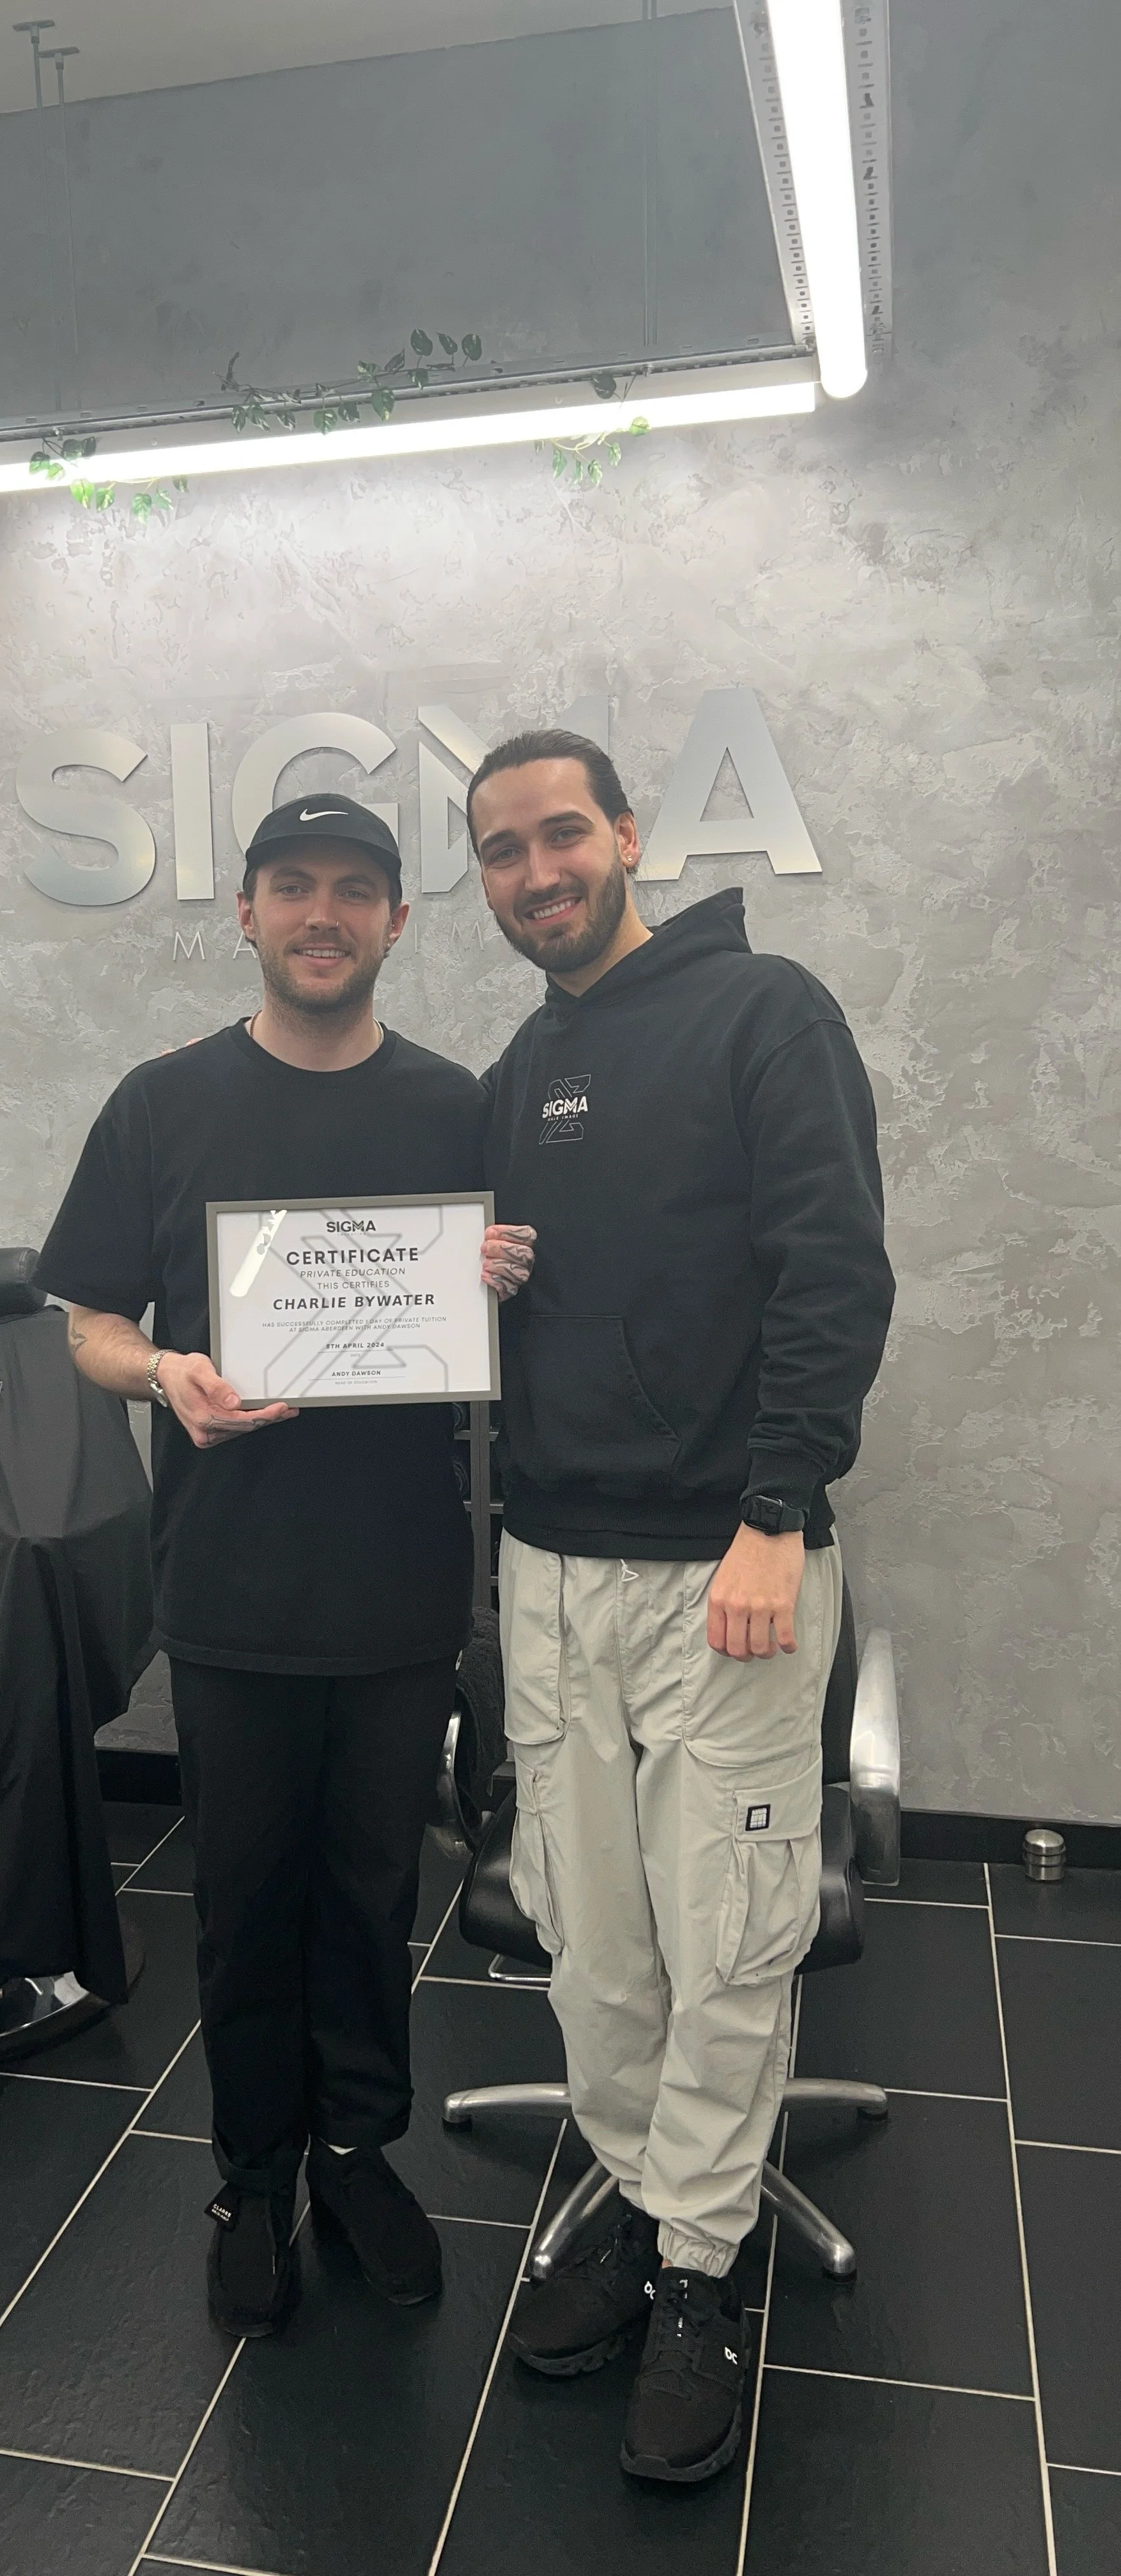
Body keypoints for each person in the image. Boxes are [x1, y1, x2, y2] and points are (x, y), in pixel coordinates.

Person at [33, 791, 534, 2342]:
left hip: (398, 1587)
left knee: (375, 1895)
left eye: (356, 891)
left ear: (399, 921)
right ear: (245, 914)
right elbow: (87, 1322)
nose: (325, 914)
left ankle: (355, 2150)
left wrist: (496, 1282)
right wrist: (165, 1371)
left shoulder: (462, 1108)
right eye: (293, 887)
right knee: (245, 1902)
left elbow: (510, 1327)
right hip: (233, 1583)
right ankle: (249, 2174)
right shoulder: (161, 1101)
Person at [471, 730, 893, 2484]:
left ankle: (704, 2277)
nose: (534, 870)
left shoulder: (760, 1013)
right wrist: (465, 1281)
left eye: (560, 833)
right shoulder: (518, 1063)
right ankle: (647, 2208)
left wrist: (774, 1512)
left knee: (721, 1932)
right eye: (499, 851)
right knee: (589, 1928)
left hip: (726, 1558)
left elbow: (832, 1268)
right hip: (547, 1563)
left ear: (626, 837)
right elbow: (523, 1322)